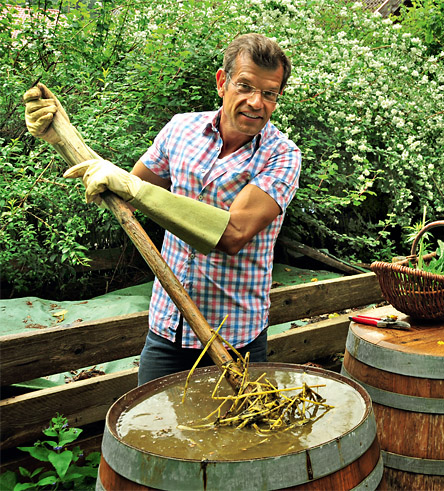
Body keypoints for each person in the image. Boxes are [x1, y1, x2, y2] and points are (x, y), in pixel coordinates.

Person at [24, 33, 301, 385]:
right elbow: (126, 195)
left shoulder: (282, 156)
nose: (255, 101)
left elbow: (232, 234)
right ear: (222, 82)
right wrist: (62, 138)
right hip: (167, 330)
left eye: (269, 93)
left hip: (234, 338)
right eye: (245, 86)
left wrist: (134, 188)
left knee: (233, 440)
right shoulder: (180, 130)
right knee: (146, 435)